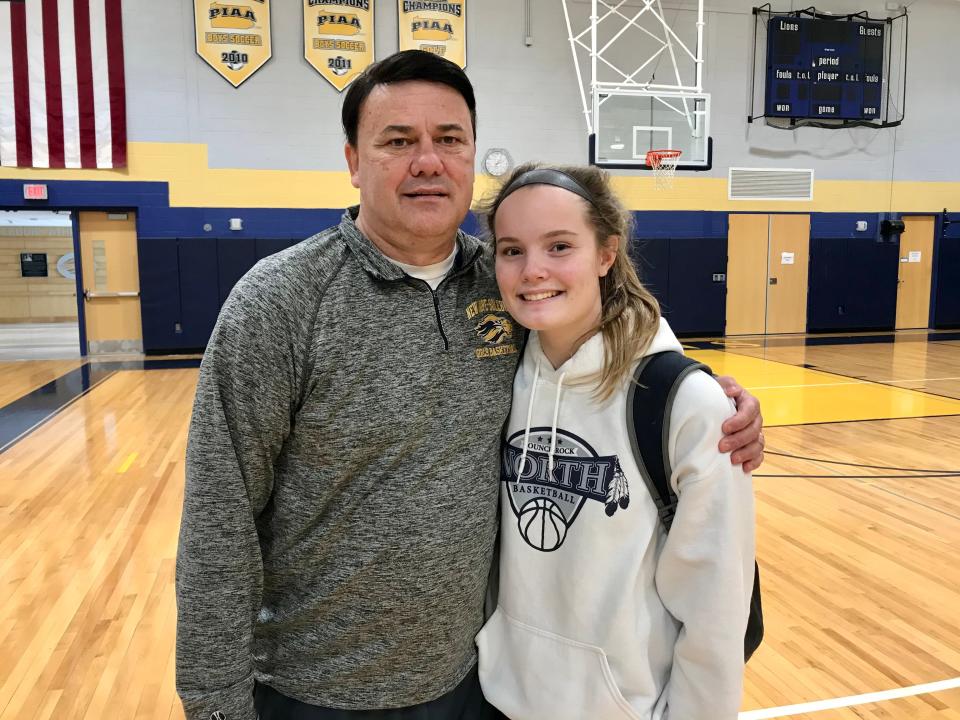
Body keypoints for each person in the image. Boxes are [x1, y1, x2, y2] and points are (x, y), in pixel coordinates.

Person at [175, 51, 764, 720]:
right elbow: (218, 520)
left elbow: (608, 326)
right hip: (309, 692)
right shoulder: (278, 302)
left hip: (469, 686)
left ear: (471, 153)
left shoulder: (508, 282)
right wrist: (215, 703)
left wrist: (703, 394)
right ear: (352, 160)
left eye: (449, 140)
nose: (428, 160)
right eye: (398, 141)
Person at [475, 163, 756, 720]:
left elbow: (716, 610)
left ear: (607, 253)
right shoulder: (495, 375)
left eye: (559, 246)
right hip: (498, 698)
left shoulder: (685, 403)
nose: (532, 270)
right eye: (511, 250)